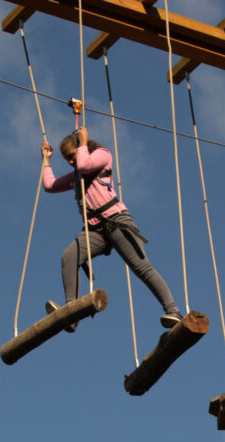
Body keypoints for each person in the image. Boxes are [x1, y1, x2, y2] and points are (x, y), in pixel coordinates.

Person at [40, 126, 181, 332]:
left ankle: (173, 310)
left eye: (71, 156)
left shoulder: (101, 155)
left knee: (141, 267)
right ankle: (71, 313)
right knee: (69, 257)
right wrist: (46, 159)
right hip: (95, 230)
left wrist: (83, 143)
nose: (71, 163)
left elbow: (85, 164)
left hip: (116, 220)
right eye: (67, 160)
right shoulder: (76, 175)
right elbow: (50, 185)